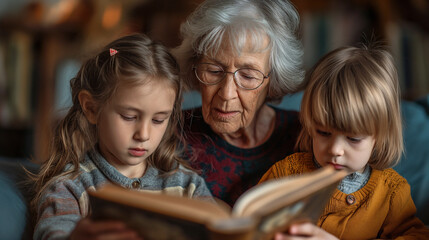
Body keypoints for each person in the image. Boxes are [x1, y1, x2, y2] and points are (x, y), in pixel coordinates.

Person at [32, 33, 212, 240]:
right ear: (91, 108)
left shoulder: (188, 185)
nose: (143, 135)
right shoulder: (71, 186)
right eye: (129, 116)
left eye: (158, 120)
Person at [260, 44, 429, 239]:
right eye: (323, 133)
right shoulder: (287, 173)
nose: (336, 150)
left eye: (353, 139)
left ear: (379, 137)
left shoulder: (391, 193)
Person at [172, 0, 305, 206]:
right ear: (194, 67)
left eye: (248, 76)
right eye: (214, 71)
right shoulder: (169, 132)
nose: (226, 94)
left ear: (274, 79)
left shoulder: (305, 138)